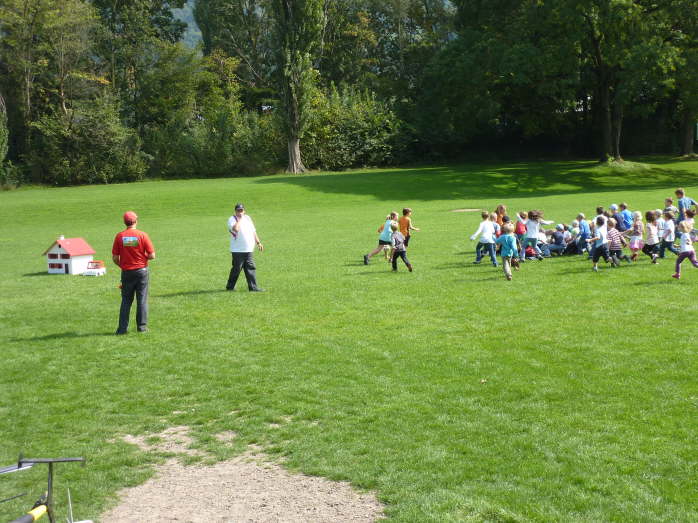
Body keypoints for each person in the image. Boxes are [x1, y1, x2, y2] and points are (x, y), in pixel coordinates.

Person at [112, 211, 156, 334]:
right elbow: (152, 255)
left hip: (126, 272)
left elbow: (115, 258)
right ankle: (142, 328)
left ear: (124, 222)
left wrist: (123, 266)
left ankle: (122, 329)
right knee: (142, 300)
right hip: (142, 271)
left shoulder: (119, 236)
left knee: (126, 300)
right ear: (136, 221)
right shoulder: (143, 235)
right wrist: (143, 258)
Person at [226, 203, 264, 291]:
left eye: (241, 210)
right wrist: (240, 219)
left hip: (249, 249)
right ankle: (230, 287)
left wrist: (258, 243)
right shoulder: (232, 219)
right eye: (238, 210)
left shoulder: (248, 218)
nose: (240, 212)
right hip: (237, 250)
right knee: (236, 269)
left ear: (244, 211)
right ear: (235, 211)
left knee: (250, 268)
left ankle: (253, 288)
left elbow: (253, 231)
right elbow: (235, 229)